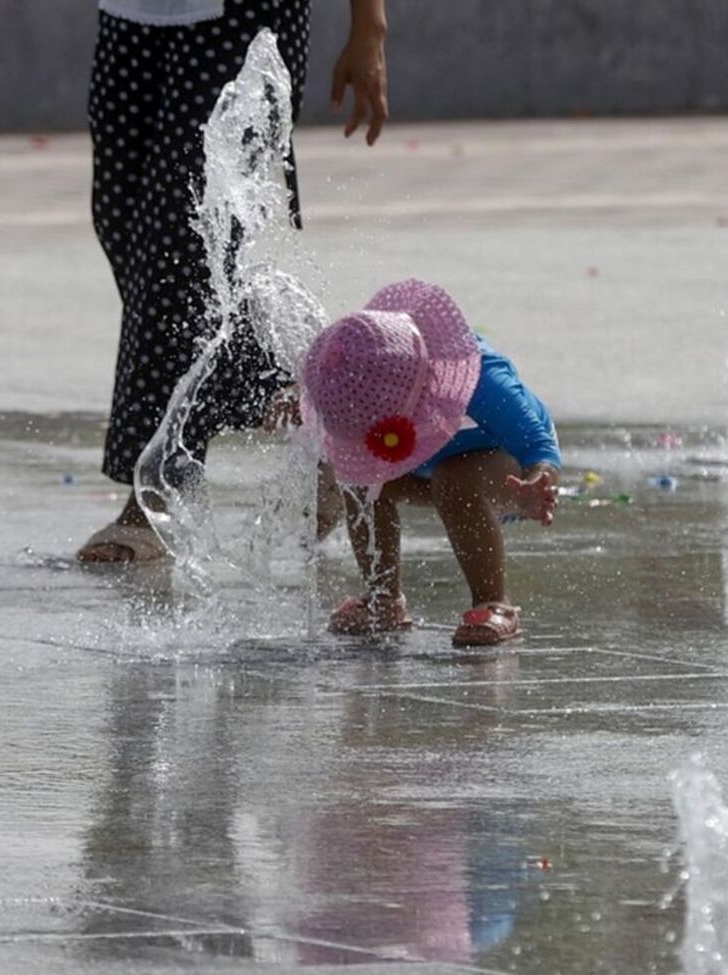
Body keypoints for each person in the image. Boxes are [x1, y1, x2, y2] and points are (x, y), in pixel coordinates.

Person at [79, 0, 390, 563]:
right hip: (132, 15)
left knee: (182, 241)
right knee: (123, 224)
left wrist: (368, 25)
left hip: (243, 14)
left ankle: (155, 500)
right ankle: (322, 411)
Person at [300, 279, 562, 647]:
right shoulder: (360, 381)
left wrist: (539, 482)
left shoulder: (481, 377)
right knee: (359, 478)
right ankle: (383, 598)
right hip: (426, 468)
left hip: (506, 470)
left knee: (455, 480)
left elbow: (538, 445)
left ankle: (495, 603)